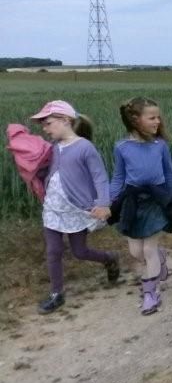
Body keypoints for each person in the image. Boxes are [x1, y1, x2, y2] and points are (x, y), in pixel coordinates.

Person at [29, 101, 118, 314]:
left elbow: (100, 177)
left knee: (80, 251)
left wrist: (103, 203)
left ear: (65, 120)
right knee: (53, 251)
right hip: (53, 208)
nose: (45, 128)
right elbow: (48, 172)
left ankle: (110, 259)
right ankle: (56, 294)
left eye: (48, 123)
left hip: (75, 209)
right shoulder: (52, 148)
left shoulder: (84, 147)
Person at [109, 97, 172, 315]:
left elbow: (169, 173)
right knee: (137, 251)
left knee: (148, 249)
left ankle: (150, 293)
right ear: (136, 120)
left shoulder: (160, 145)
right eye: (152, 117)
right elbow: (118, 176)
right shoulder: (122, 147)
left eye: (158, 117)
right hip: (132, 202)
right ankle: (161, 258)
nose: (157, 121)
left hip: (155, 200)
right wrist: (110, 201)